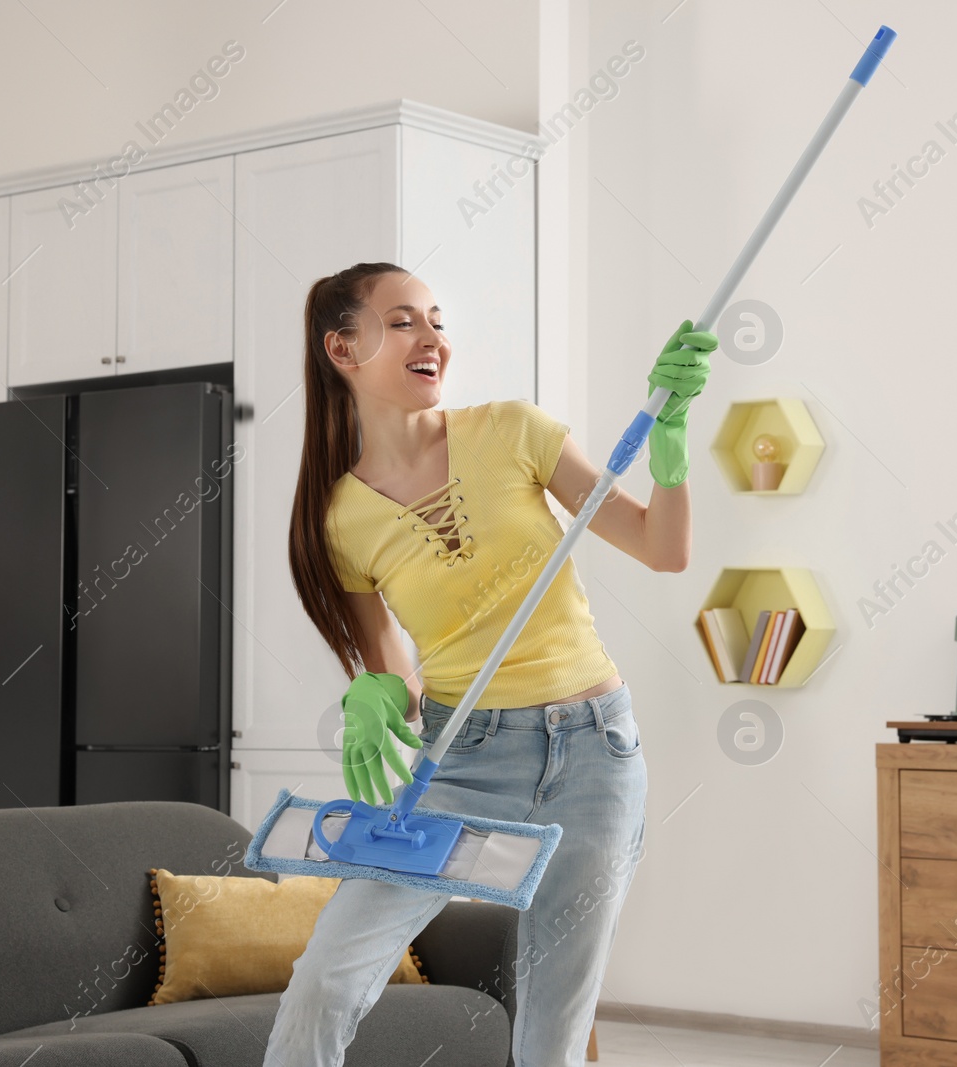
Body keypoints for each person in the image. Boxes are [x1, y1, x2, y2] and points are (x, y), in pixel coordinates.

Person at [266, 261, 716, 1067]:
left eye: (437, 319)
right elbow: (393, 673)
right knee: (328, 980)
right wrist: (374, 692)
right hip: (460, 761)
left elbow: (663, 547)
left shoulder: (513, 430)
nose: (433, 336)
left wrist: (672, 452)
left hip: (594, 754)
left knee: (552, 1034)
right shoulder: (339, 520)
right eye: (403, 320)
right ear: (343, 348)